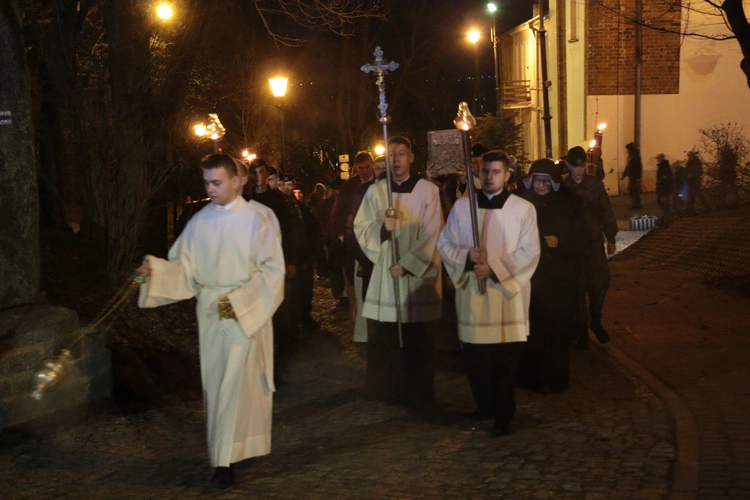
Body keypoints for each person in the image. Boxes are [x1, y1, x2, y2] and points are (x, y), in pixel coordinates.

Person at [136, 154, 285, 488]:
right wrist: (155, 271)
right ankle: (238, 450)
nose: (210, 188)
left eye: (217, 182)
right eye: (206, 182)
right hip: (210, 312)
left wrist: (241, 303)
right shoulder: (199, 221)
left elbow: (273, 271)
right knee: (217, 385)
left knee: (234, 385)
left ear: (236, 180)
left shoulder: (256, 220)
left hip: (244, 312)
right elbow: (184, 268)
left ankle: (224, 463)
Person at [437, 150, 540, 436]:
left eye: (496, 172)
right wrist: (468, 258)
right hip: (473, 295)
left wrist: (493, 269)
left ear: (508, 176)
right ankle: (483, 405)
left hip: (506, 298)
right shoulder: (462, 208)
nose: (490, 177)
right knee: (476, 358)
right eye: (485, 172)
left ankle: (504, 414)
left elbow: (530, 251)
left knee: (504, 362)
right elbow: (444, 243)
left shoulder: (523, 209)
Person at [353, 136, 443, 406]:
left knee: (417, 336)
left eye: (401, 153)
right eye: (391, 154)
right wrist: (382, 230)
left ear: (411, 157)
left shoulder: (428, 191)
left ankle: (419, 392)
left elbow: (433, 231)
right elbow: (361, 226)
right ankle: (388, 389)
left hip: (414, 275)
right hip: (385, 272)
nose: (396, 159)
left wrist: (407, 264)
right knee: (386, 335)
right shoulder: (376, 191)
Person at [518, 159, 588, 393]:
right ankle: (532, 379)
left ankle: (556, 380)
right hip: (532, 278)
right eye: (536, 181)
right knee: (533, 331)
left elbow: (582, 237)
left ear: (554, 182)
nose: (540, 186)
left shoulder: (569, 203)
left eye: (545, 181)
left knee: (557, 332)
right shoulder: (522, 204)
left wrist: (562, 243)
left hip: (559, 280)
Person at [245, 158, 305, 384]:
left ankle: (282, 360)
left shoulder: (280, 202)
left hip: (276, 261)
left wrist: (291, 261)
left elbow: (291, 231)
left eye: (261, 172)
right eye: (254, 172)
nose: (257, 176)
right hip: (254, 267)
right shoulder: (246, 201)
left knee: (281, 312)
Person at [564, 146, 618, 348]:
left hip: (594, 244)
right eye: (575, 166)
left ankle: (596, 320)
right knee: (577, 289)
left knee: (599, 284)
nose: (579, 170)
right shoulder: (564, 188)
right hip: (574, 248)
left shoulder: (595, 185)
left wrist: (610, 237)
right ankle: (581, 329)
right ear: (569, 166)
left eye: (582, 165)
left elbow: (606, 210)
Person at [622, 142, 643, 209]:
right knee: (632, 189)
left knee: (633, 189)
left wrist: (639, 177)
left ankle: (636, 204)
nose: (627, 151)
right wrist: (624, 174)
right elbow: (627, 166)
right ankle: (635, 203)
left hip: (634, 176)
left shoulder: (635, 157)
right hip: (631, 175)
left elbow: (639, 167)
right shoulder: (631, 156)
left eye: (627, 149)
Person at [655, 153, 673, 221]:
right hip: (661, 186)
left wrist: (662, 180)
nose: (658, 160)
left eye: (658, 158)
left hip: (665, 186)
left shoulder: (665, 166)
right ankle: (666, 212)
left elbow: (667, 176)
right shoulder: (661, 166)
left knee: (665, 201)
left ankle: (667, 214)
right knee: (659, 199)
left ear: (662, 158)